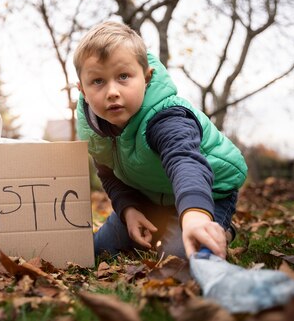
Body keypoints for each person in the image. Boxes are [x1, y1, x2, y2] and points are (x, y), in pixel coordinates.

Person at [73, 21, 247, 260]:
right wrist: (129, 210)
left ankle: (220, 227)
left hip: (207, 190)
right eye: (98, 81)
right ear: (82, 89)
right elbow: (109, 174)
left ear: (146, 78)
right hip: (151, 194)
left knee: (178, 259)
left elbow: (185, 163)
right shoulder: (94, 130)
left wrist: (195, 216)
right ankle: (164, 223)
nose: (112, 91)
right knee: (98, 250)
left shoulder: (166, 117)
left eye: (123, 76)